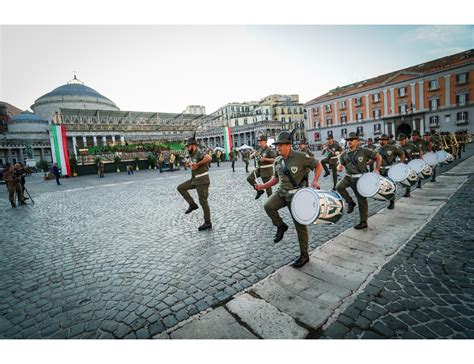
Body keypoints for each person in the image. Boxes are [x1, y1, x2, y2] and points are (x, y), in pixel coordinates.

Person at [256, 130, 322, 268]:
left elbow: (317, 165)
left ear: (289, 145)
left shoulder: (301, 156)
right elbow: (275, 179)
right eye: (277, 145)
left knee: (300, 226)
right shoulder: (278, 160)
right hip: (282, 193)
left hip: (296, 196)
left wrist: (315, 180)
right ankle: (281, 226)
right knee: (268, 206)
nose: (278, 147)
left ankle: (304, 255)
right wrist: (263, 186)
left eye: (281, 145)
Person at [336, 132, 382, 230]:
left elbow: (378, 157)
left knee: (362, 201)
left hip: (360, 179)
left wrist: (377, 168)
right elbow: (340, 165)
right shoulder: (344, 153)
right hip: (349, 177)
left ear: (357, 141)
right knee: (339, 187)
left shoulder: (364, 151)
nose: (349, 142)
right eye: (348, 140)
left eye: (351, 140)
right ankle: (350, 202)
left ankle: (363, 222)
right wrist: (339, 167)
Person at [177, 134, 213, 231]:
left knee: (203, 202)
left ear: (194, 146)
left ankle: (207, 222)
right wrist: (190, 164)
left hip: (202, 181)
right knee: (181, 187)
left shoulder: (199, 152)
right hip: (195, 180)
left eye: (188, 146)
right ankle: (192, 205)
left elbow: (209, 158)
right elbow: (193, 164)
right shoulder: (192, 154)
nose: (187, 148)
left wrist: (197, 164)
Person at [376, 134, 405, 209]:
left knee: (391, 185)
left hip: (390, 169)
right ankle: (383, 197)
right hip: (381, 169)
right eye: (380, 140)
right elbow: (372, 159)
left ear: (387, 141)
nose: (381, 141)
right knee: (382, 185)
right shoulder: (377, 150)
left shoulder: (392, 148)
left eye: (383, 140)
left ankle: (392, 202)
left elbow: (402, 154)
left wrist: (401, 163)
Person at [247, 135, 276, 199]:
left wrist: (265, 159)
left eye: (261, 141)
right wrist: (253, 155)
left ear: (265, 141)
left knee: (268, 187)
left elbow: (274, 159)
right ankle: (259, 190)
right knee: (249, 178)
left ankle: (270, 201)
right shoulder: (260, 149)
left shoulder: (269, 150)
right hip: (259, 169)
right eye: (259, 141)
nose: (259, 142)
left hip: (266, 170)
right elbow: (252, 157)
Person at [397, 133, 423, 197]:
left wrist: (421, 159)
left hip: (410, 163)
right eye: (399, 140)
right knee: (405, 177)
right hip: (402, 164)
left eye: (401, 140)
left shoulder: (411, 146)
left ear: (405, 139)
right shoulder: (398, 147)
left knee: (413, 175)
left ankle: (419, 181)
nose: (400, 142)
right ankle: (407, 191)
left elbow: (420, 151)